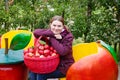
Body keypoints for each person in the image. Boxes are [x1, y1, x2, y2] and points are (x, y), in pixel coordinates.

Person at [30, 15, 75, 80]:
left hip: (64, 67)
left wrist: (52, 38)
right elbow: (36, 33)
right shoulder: (49, 33)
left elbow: (62, 52)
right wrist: (51, 34)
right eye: (54, 25)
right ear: (50, 25)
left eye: (59, 26)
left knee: (41, 75)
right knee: (34, 70)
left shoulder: (68, 36)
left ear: (63, 26)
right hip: (51, 64)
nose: (56, 28)